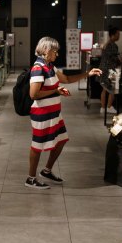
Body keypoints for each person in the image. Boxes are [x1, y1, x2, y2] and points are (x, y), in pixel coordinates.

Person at [26, 37, 102, 189]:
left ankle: (47, 170)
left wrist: (88, 74)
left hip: (54, 113)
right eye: (55, 51)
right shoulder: (38, 68)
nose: (57, 54)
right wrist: (56, 90)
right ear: (46, 51)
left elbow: (66, 79)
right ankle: (30, 178)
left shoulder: (50, 67)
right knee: (37, 145)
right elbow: (33, 94)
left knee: (61, 139)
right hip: (42, 113)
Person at [99, 26, 121, 114]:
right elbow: (115, 59)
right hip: (110, 70)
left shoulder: (106, 44)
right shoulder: (113, 45)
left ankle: (103, 108)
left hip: (103, 69)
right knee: (112, 89)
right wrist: (120, 61)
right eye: (118, 34)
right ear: (113, 35)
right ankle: (109, 107)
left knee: (104, 89)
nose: (119, 36)